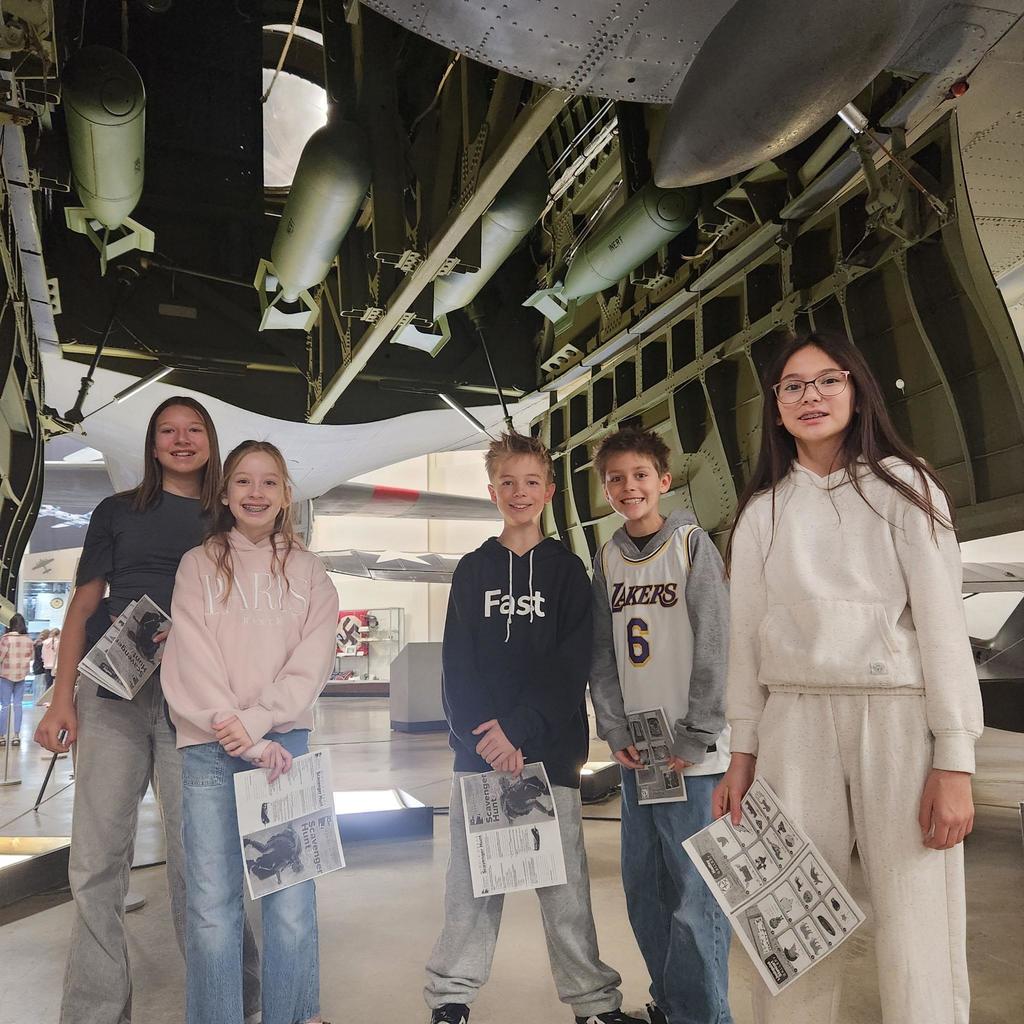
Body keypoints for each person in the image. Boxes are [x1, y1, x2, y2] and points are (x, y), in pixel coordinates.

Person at [713, 330, 983, 1024]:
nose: (812, 396)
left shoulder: (907, 488)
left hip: (895, 714)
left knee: (917, 915)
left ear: (857, 391)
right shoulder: (762, 514)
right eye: (793, 386)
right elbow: (742, 641)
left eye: (828, 380)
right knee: (789, 916)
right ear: (775, 409)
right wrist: (741, 751)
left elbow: (943, 628)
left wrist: (955, 759)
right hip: (792, 721)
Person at [34, 396, 260, 1024]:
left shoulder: (230, 515)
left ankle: (233, 999)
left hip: (201, 701)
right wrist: (61, 700)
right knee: (96, 861)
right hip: (112, 696)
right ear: (153, 444)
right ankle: (95, 1010)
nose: (181, 440)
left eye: (193, 430)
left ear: (211, 441)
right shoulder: (116, 511)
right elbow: (83, 608)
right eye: (168, 431)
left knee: (205, 858)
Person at [424, 431, 643, 1024]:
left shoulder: (568, 572)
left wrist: (518, 731)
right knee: (473, 885)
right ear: (491, 490)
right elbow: (457, 664)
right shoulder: (472, 570)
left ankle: (593, 1004)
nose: (519, 493)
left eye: (531, 483)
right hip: (482, 758)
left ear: (548, 491)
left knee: (564, 886)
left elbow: (570, 664)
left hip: (548, 752)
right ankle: (451, 996)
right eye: (507, 483)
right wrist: (482, 738)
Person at [161, 440, 339, 1024]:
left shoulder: (311, 572)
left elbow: (312, 661)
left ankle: (292, 1014)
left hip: (283, 748)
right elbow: (190, 656)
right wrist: (230, 727)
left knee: (290, 899)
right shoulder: (198, 564)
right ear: (224, 492)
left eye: (269, 482)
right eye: (242, 481)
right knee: (213, 904)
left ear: (287, 494)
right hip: (208, 750)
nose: (255, 493)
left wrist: (259, 726)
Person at [589, 426, 733, 1024]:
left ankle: (706, 1015)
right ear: (605, 489)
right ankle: (670, 1004)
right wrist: (615, 728)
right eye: (616, 479)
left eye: (640, 475)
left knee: (697, 901)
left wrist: (698, 731)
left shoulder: (693, 546)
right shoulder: (609, 556)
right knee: (646, 891)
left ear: (664, 482)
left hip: (692, 755)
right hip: (640, 755)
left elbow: (715, 643)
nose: (629, 487)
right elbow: (602, 651)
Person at [0, 614, 36, 746]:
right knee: (18, 705)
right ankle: (16, 735)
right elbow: (31, 657)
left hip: (6, 675)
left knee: (4, 706)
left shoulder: (6, 639)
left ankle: (1, 736)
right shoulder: (28, 640)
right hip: (21, 675)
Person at [32, 628, 50, 700]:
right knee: (42, 687)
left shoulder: (36, 644)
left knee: (37, 687)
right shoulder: (43, 646)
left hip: (36, 668)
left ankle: (36, 700)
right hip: (43, 668)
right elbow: (42, 658)